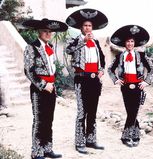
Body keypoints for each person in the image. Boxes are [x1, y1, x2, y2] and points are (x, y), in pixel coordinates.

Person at [23, 18, 68, 159]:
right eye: (45, 31)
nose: (48, 34)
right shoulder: (31, 47)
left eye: (50, 32)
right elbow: (29, 71)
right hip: (39, 89)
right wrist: (43, 85)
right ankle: (36, 151)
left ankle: (47, 148)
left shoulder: (51, 48)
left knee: (49, 120)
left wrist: (53, 84)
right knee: (39, 120)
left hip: (51, 88)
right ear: (39, 32)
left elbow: (52, 69)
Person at [65, 8, 108, 154]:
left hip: (95, 80)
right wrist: (83, 40)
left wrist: (101, 70)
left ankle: (91, 139)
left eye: (89, 26)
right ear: (81, 28)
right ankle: (79, 142)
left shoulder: (96, 42)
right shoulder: (75, 40)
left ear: (92, 27)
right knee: (82, 112)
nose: (88, 28)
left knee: (92, 111)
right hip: (81, 79)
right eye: (85, 26)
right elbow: (68, 50)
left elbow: (102, 59)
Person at [108, 25, 153, 147]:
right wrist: (116, 80)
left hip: (138, 86)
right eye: (128, 41)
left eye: (132, 41)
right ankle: (135, 135)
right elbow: (110, 69)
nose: (130, 43)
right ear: (124, 43)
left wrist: (146, 81)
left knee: (134, 111)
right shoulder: (119, 56)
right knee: (131, 111)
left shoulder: (141, 56)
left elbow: (152, 68)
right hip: (125, 86)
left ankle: (127, 136)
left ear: (135, 43)